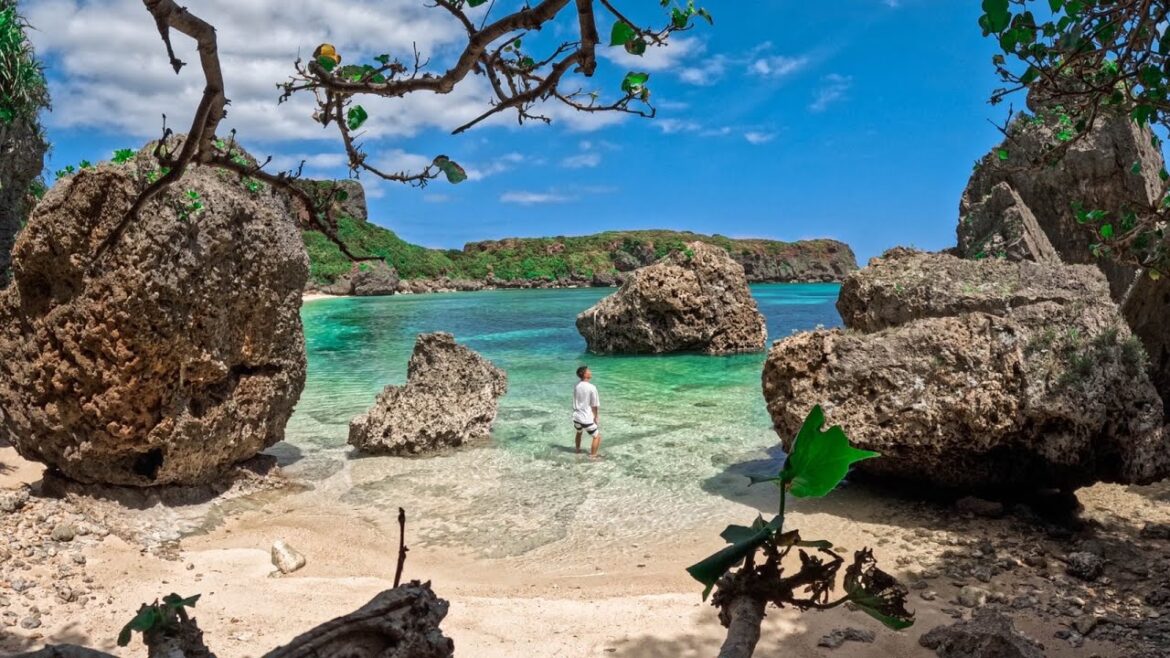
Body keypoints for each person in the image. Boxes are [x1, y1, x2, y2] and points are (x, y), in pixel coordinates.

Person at [572, 365, 602, 457]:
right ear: (584, 374)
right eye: (589, 371)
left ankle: (577, 450)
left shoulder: (577, 386)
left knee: (579, 432)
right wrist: (596, 417)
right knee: (597, 437)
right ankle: (593, 456)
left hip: (576, 417)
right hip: (585, 418)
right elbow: (594, 405)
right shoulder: (592, 387)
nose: (590, 372)